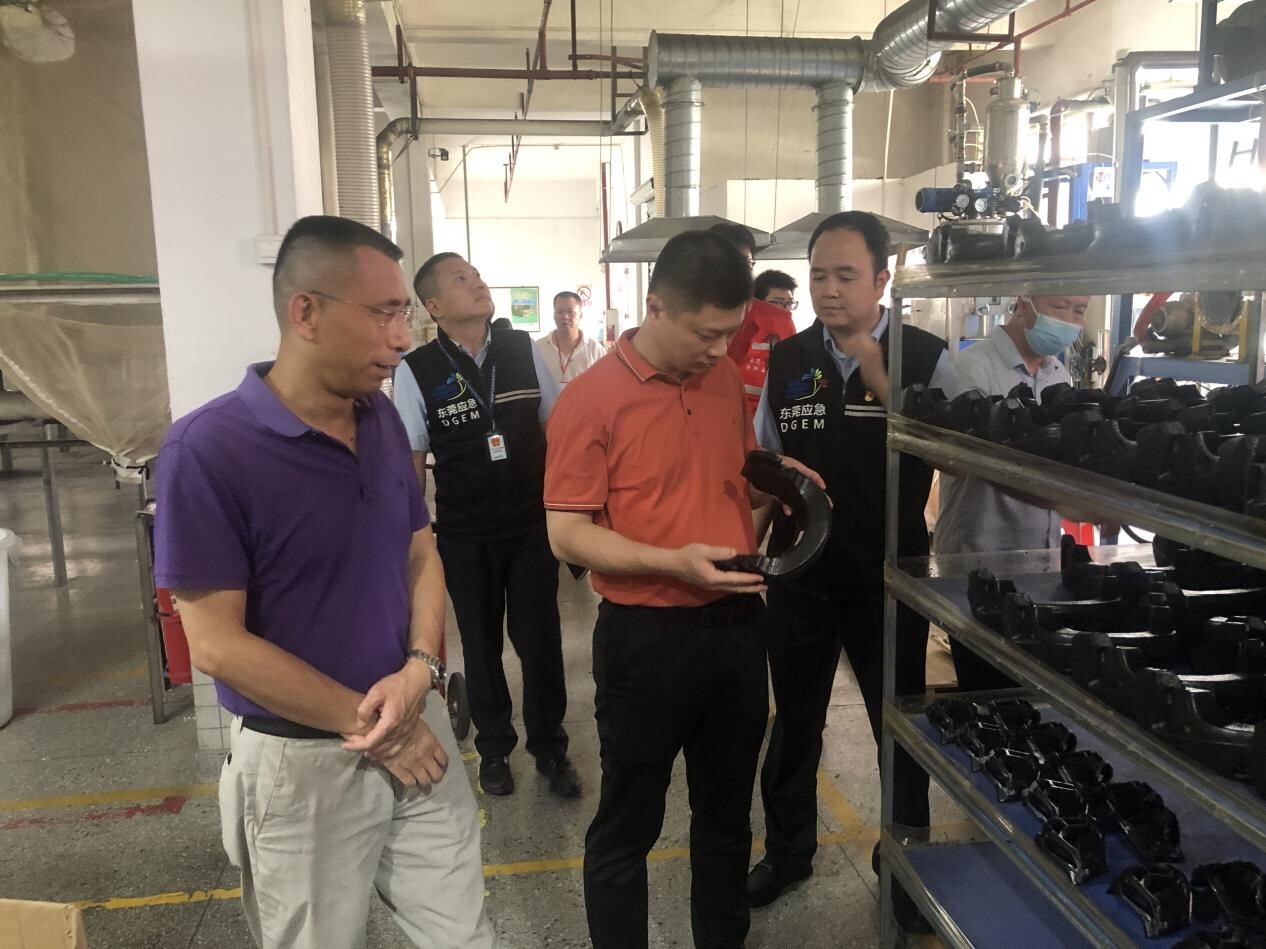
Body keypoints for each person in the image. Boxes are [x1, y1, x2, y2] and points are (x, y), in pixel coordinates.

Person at [154, 215, 492, 949]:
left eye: (404, 313)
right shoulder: (207, 451)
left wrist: (421, 667)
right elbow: (215, 644)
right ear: (305, 311)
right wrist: (374, 730)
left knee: (464, 936)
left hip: (415, 719)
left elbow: (420, 552)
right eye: (383, 313)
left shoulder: (380, 420)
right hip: (304, 761)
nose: (401, 338)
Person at [544, 229, 823, 949]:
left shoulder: (722, 378)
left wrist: (780, 481)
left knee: (726, 816)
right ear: (656, 306)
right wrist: (673, 563)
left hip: (735, 627)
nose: (720, 349)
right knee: (628, 823)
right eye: (706, 334)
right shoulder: (590, 400)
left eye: (732, 332)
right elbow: (566, 533)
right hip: (646, 639)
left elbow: (728, 478)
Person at [749, 211, 959, 932]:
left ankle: (906, 865)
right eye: (818, 275)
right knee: (794, 724)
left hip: (889, 580)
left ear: (882, 279)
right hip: (801, 579)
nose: (829, 289)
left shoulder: (927, 357)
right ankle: (788, 851)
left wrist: (883, 380)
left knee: (898, 729)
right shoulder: (788, 359)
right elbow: (766, 462)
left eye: (845, 275)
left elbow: (957, 457)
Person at [393, 252, 580, 800]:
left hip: (529, 527)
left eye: (476, 276)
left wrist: (568, 509)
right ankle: (494, 749)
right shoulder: (417, 369)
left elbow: (556, 429)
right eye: (461, 280)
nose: (477, 284)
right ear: (433, 305)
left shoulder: (521, 349)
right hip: (464, 531)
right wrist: (411, 543)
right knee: (480, 645)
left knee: (540, 642)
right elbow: (412, 459)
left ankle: (550, 748)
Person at [933, 294, 1089, 689]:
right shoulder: (972, 368)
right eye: (1060, 307)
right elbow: (963, 461)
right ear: (1023, 305)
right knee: (984, 689)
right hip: (979, 560)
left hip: (1041, 564)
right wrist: (1069, 502)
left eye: (1079, 310)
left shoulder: (1058, 374)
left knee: (1030, 689)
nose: (1069, 320)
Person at [708, 223, 798, 414]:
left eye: (747, 264)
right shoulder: (689, 317)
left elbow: (792, 385)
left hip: (761, 424)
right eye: (731, 264)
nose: (740, 274)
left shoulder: (778, 321)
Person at [537, 290, 607, 385]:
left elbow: (604, 383)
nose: (565, 317)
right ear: (554, 315)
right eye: (560, 312)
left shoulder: (595, 349)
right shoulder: (539, 348)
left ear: (580, 315)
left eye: (571, 312)